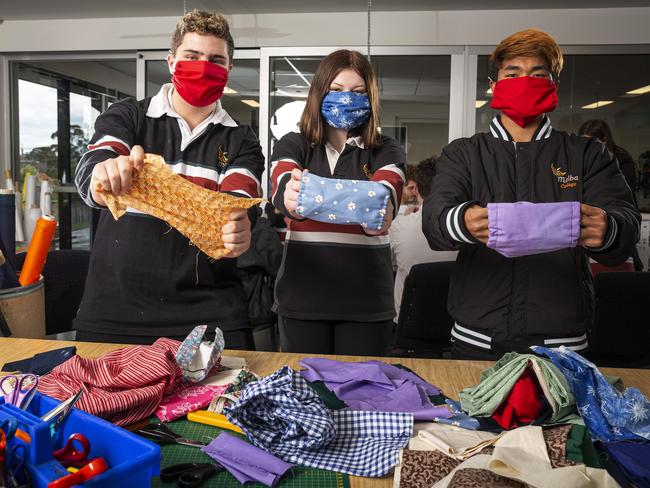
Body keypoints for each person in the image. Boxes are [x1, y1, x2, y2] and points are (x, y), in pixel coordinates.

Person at [422, 29, 640, 360]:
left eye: (538, 74)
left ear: (552, 85)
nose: (525, 80)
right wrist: (462, 221)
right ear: (495, 85)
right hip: (478, 337)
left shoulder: (587, 154)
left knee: (564, 414)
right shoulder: (464, 153)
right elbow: (435, 221)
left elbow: (626, 225)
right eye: (513, 73)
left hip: (562, 341)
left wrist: (608, 229)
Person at [73, 10, 264, 347]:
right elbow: (95, 166)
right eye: (192, 57)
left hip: (212, 317)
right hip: (115, 312)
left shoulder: (242, 139)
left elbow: (238, 202)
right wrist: (106, 175)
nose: (204, 66)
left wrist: (238, 228)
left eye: (216, 60)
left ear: (229, 70)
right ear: (172, 60)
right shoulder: (128, 115)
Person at [270, 49, 406, 356]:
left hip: (366, 303)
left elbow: (381, 209)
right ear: (319, 92)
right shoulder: (294, 144)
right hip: (301, 300)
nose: (347, 99)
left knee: (362, 397)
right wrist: (360, 200)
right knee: (305, 396)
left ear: (370, 97)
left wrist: (311, 195)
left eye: (358, 92)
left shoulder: (386, 149)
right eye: (336, 90)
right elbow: (286, 196)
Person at [390, 157, 457, 319]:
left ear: (417, 190)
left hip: (408, 325)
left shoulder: (398, 226)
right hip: (453, 321)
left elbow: (389, 263)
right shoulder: (466, 231)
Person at [578, 119, 637, 202]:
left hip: (616, 210)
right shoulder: (582, 160)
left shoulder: (622, 161)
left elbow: (623, 193)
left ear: (604, 140)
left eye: (590, 142)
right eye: (583, 142)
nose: (586, 146)